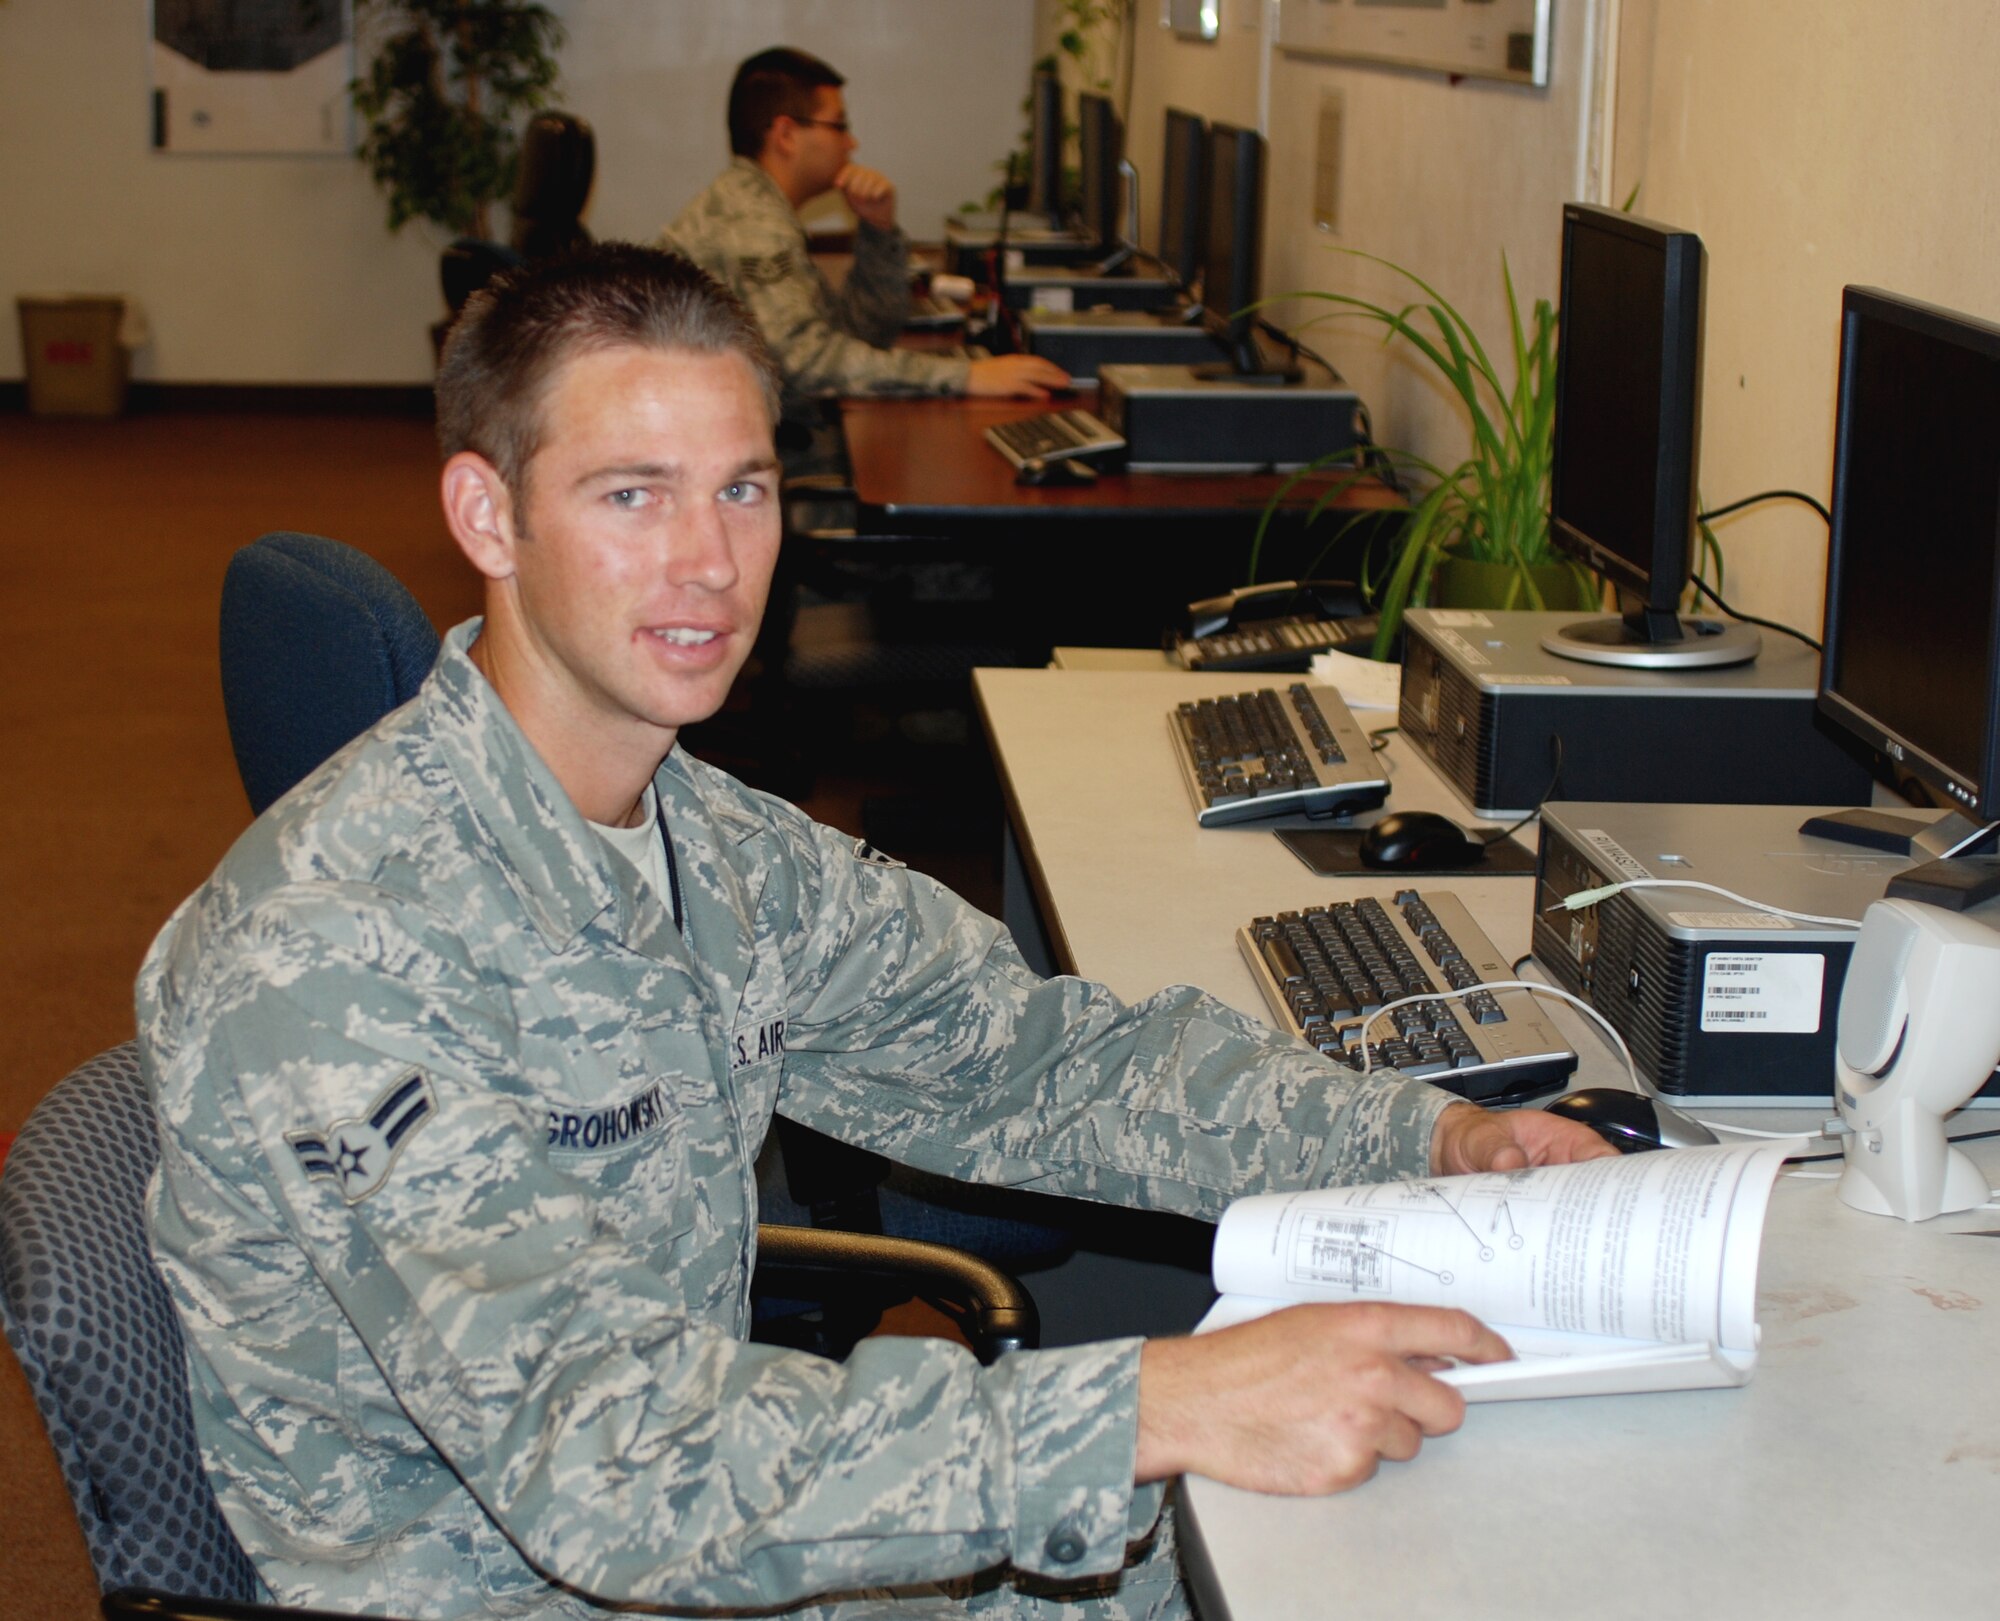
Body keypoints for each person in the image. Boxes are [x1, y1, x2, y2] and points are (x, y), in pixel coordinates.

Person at [139, 243, 1612, 1621]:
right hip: (545, 1572)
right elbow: (609, 1469)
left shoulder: (707, 839)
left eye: (744, 490)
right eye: (632, 496)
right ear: (487, 516)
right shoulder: (327, 955)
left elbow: (1028, 1062)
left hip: (713, 1529)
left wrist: (1426, 1145)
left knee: (1383, 1519)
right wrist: (1169, 1402)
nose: (710, 562)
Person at [662, 46, 1068, 414]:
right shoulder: (751, 225)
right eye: (839, 126)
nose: (851, 143)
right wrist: (968, 376)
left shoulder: (757, 207)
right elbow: (808, 364)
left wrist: (877, 231)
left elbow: (859, 334)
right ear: (786, 134)